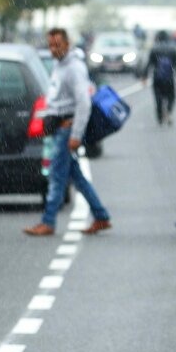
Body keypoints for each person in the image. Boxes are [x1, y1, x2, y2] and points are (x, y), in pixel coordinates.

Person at [24, 27, 111, 237]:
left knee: (56, 176)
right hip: (59, 128)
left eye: (57, 44)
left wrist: (75, 134)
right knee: (77, 177)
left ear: (67, 44)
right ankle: (101, 216)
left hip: (67, 128)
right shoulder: (60, 65)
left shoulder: (73, 68)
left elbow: (83, 103)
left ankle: (48, 222)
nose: (53, 49)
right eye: (51, 45)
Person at [141, 30, 176, 126]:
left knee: (158, 97)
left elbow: (149, 64)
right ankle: (168, 111)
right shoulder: (173, 49)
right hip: (169, 77)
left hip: (157, 77)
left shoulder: (154, 49)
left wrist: (144, 76)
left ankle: (160, 117)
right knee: (171, 96)